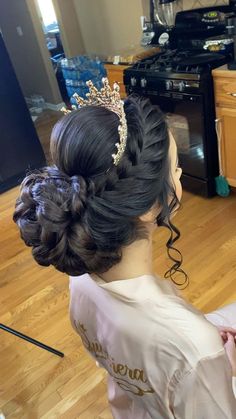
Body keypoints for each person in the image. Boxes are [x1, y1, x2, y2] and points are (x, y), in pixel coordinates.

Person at [13, 78, 236, 418]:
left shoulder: (81, 276)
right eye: (175, 169)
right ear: (147, 208)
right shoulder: (195, 347)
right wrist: (212, 360)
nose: (178, 173)